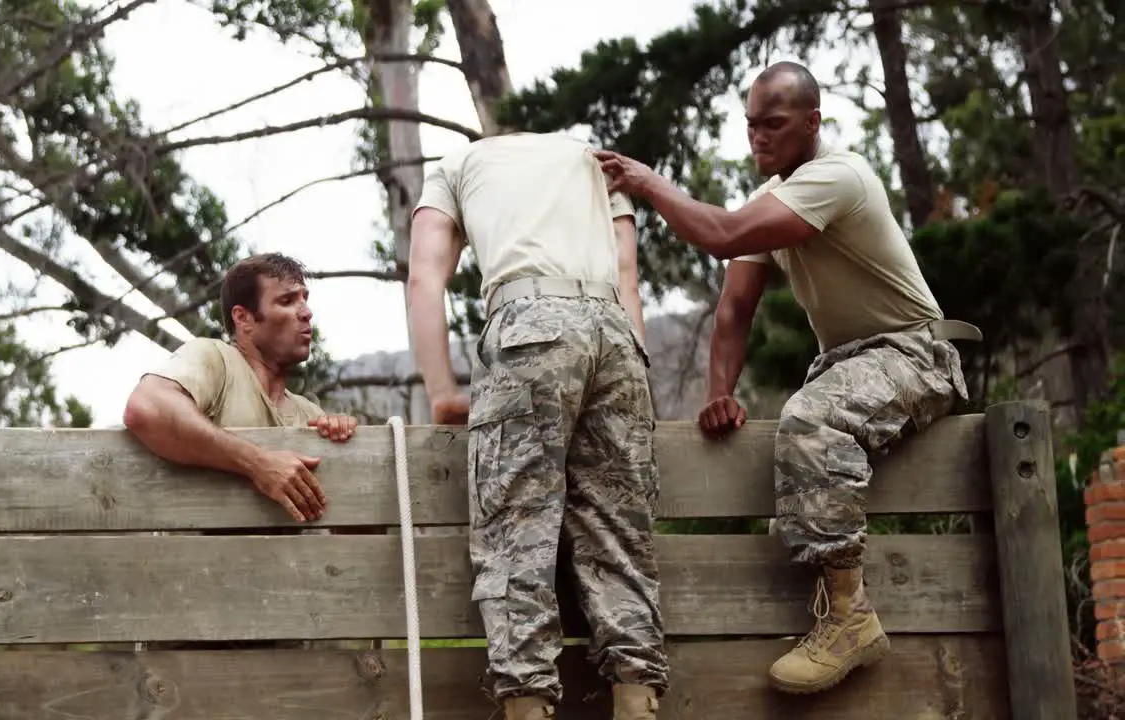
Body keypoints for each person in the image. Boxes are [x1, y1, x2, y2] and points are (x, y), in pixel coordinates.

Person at [594, 61, 981, 695]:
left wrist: (649, 183)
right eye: (750, 126)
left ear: (813, 122)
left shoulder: (836, 177)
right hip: (853, 364)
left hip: (917, 355)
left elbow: (719, 236)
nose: (758, 138)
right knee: (804, 437)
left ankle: (849, 620)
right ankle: (831, 607)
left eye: (773, 125)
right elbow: (735, 308)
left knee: (811, 419)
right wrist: (719, 391)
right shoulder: (773, 201)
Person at [407, 132, 668, 720]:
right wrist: (635, 391)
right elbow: (627, 275)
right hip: (614, 333)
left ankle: (527, 704)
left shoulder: (456, 164)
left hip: (529, 321)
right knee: (617, 530)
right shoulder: (593, 157)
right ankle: (637, 698)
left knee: (515, 530)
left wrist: (444, 391)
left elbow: (425, 277)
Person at [122, 252, 359, 525]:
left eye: (305, 299)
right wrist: (257, 464)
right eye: (287, 300)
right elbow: (146, 408)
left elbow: (357, 524)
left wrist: (346, 442)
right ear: (243, 318)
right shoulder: (215, 358)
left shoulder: (309, 413)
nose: (306, 312)